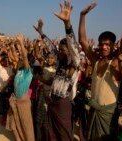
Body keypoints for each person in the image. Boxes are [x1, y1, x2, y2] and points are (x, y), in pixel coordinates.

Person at [78, 0, 122, 140]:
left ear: (113, 46)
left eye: (107, 44)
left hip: (108, 114)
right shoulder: (95, 61)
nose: (104, 47)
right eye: (101, 44)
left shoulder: (116, 63)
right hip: (94, 110)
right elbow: (82, 40)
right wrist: (82, 16)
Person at [33, 1, 81, 140]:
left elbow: (72, 44)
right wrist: (41, 32)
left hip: (64, 104)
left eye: (63, 50)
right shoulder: (60, 61)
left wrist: (67, 23)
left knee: (64, 135)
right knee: (52, 133)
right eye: (59, 50)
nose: (60, 52)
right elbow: (50, 47)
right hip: (52, 101)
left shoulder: (74, 61)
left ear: (70, 52)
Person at [5, 33, 35, 141]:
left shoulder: (28, 71)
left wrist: (21, 43)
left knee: (26, 125)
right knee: (13, 123)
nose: (20, 59)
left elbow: (25, 56)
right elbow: (13, 56)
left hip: (23, 102)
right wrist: (11, 47)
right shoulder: (19, 69)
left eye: (23, 59)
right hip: (15, 99)